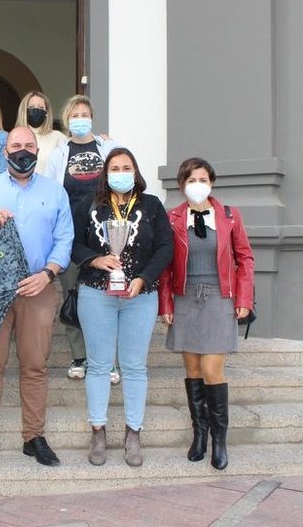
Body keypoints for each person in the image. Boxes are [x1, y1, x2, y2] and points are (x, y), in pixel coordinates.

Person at [0, 126, 73, 468]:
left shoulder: (55, 192)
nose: (22, 150)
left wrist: (48, 274)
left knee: (35, 366)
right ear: (5, 150)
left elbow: (64, 240)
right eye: (16, 145)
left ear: (37, 150)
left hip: (37, 288)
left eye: (28, 145)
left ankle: (34, 437)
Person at [71, 148, 173, 466]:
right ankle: (98, 431)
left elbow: (165, 246)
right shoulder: (90, 204)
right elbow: (73, 242)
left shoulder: (152, 205)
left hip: (139, 297)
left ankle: (133, 433)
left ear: (136, 171)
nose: (120, 172)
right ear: (105, 172)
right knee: (99, 365)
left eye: (126, 167)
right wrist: (95, 259)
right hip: (96, 293)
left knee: (133, 367)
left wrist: (143, 278)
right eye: (114, 167)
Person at [159, 157, 255, 471]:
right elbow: (166, 266)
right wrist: (167, 304)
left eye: (202, 179)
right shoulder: (173, 217)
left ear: (211, 182)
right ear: (182, 185)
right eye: (190, 179)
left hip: (218, 297)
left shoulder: (229, 215)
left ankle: (220, 440)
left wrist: (244, 298)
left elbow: (245, 259)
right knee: (193, 370)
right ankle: (199, 434)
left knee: (213, 369)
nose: (196, 185)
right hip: (186, 298)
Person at [42, 94, 119, 381]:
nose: (80, 119)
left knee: (105, 299)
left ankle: (107, 360)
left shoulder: (109, 147)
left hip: (106, 236)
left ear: (92, 117)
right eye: (74, 115)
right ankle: (80, 356)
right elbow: (50, 195)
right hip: (70, 238)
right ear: (68, 119)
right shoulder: (59, 153)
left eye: (85, 113)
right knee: (73, 295)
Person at [14, 91, 67, 175]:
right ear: (24, 111)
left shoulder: (58, 138)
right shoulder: (14, 137)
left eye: (41, 107)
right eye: (31, 107)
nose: (36, 110)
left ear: (47, 112)